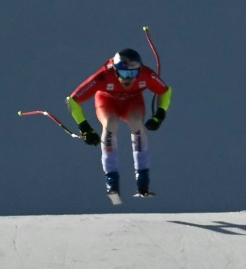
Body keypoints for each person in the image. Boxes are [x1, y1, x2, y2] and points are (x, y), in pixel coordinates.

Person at [65, 48, 172, 197]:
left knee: (137, 124)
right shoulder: (104, 76)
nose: (128, 79)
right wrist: (85, 128)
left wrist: (160, 115)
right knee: (110, 124)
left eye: (133, 73)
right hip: (107, 101)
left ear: (139, 70)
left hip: (132, 102)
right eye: (123, 73)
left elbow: (166, 91)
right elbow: (73, 100)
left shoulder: (146, 74)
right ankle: (112, 180)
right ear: (115, 70)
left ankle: (142, 181)